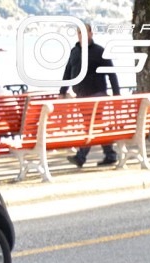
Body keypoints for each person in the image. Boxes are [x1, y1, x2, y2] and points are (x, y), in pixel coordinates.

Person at [60, 24, 119, 167]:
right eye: (79, 33)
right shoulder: (74, 52)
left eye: (84, 33)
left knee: (90, 125)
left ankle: (81, 157)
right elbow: (68, 72)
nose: (81, 36)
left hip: (97, 95)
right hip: (81, 96)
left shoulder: (99, 51)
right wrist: (62, 91)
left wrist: (116, 94)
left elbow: (111, 73)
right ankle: (110, 154)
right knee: (95, 125)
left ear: (91, 33)